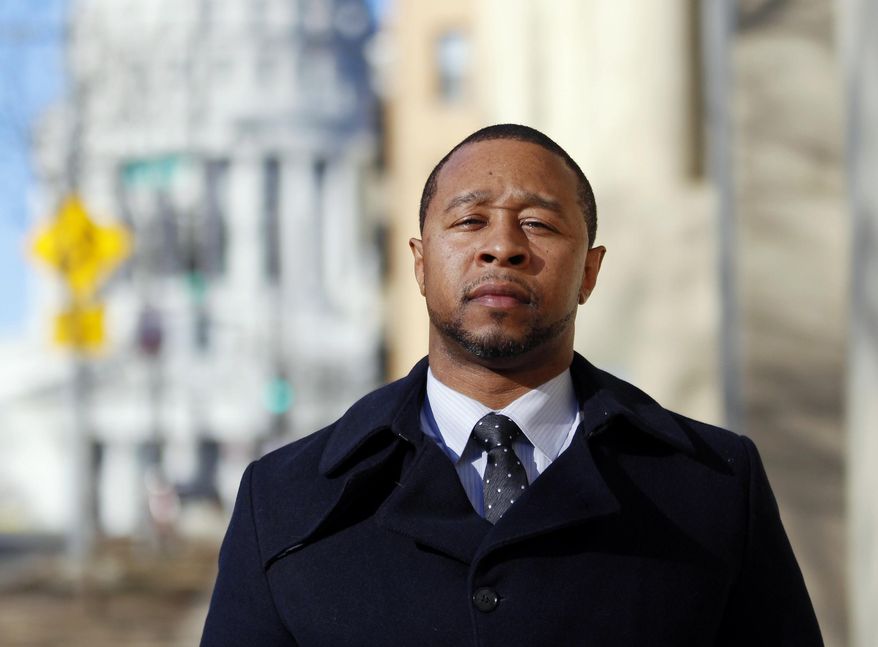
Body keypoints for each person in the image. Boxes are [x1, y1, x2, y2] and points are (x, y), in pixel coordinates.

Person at [200, 124, 823, 646]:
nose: (502, 246)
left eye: (539, 225)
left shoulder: (710, 485)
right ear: (419, 262)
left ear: (590, 271)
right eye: (470, 221)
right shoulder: (287, 499)